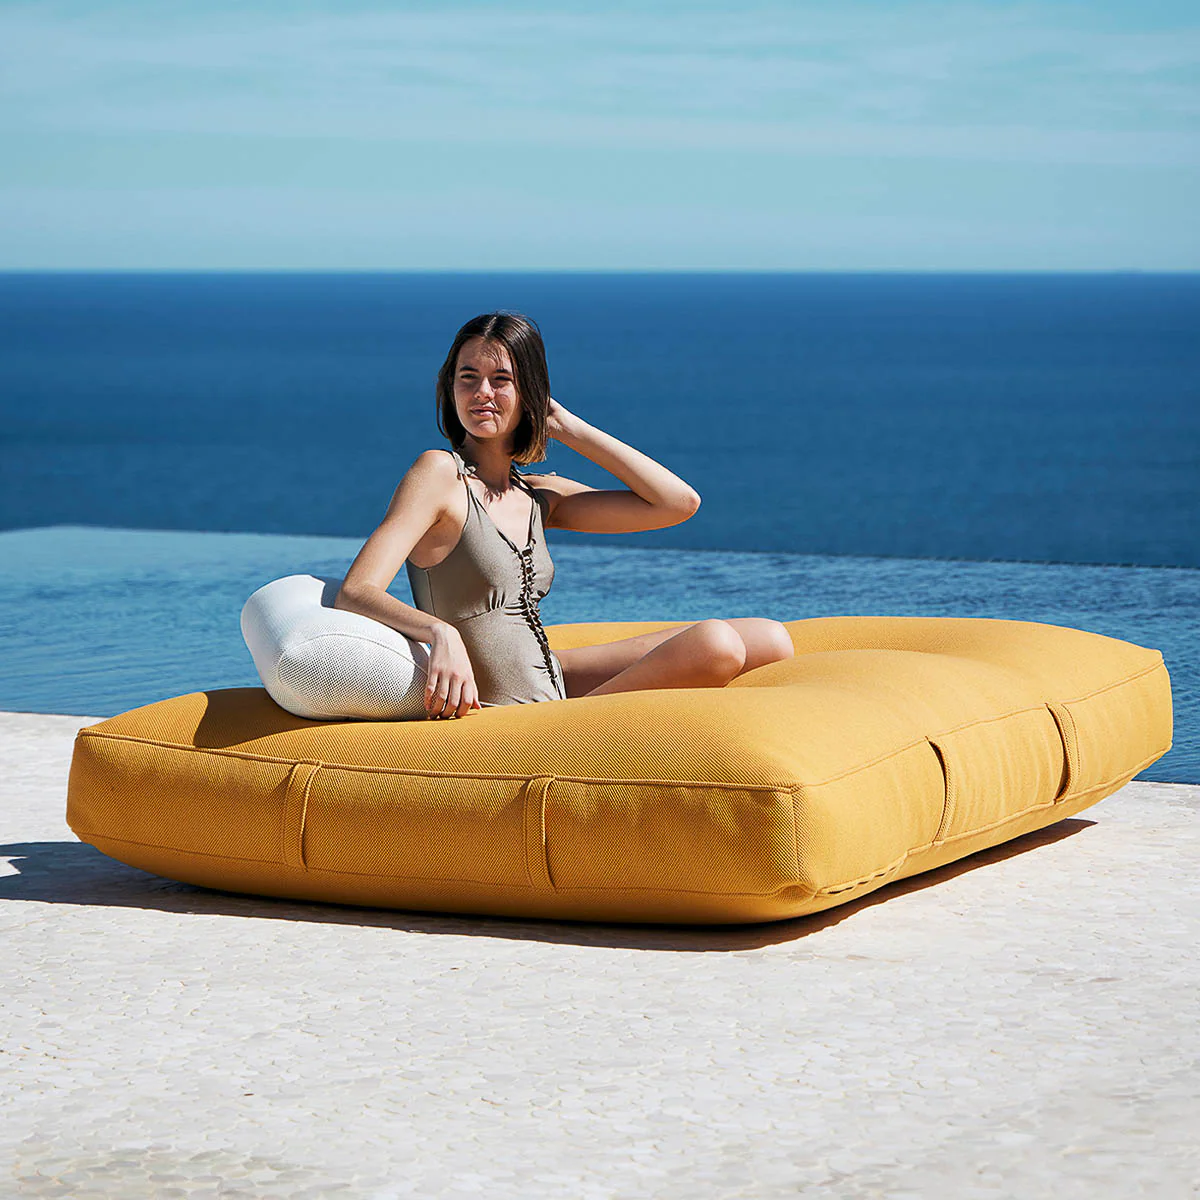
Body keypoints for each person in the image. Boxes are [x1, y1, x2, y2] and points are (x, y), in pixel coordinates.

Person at [335, 311, 794, 719]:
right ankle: (579, 722)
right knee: (716, 644)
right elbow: (356, 591)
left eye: (502, 380)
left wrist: (569, 427)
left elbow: (677, 504)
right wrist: (440, 634)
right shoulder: (439, 475)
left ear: (530, 392)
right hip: (509, 714)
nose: (482, 393)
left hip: (552, 679)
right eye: (467, 377)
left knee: (769, 638)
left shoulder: (538, 495)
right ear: (449, 387)